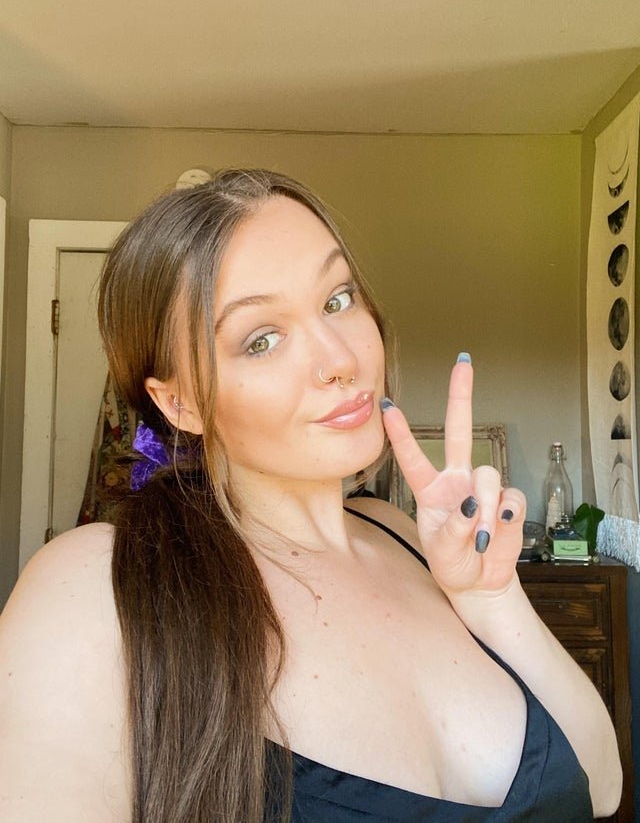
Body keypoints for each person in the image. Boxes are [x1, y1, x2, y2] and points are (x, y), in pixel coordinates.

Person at [0, 169, 622, 822]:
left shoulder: (400, 532)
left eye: (337, 299)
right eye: (261, 340)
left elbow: (601, 787)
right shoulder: (93, 586)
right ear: (180, 402)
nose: (341, 360)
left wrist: (491, 598)